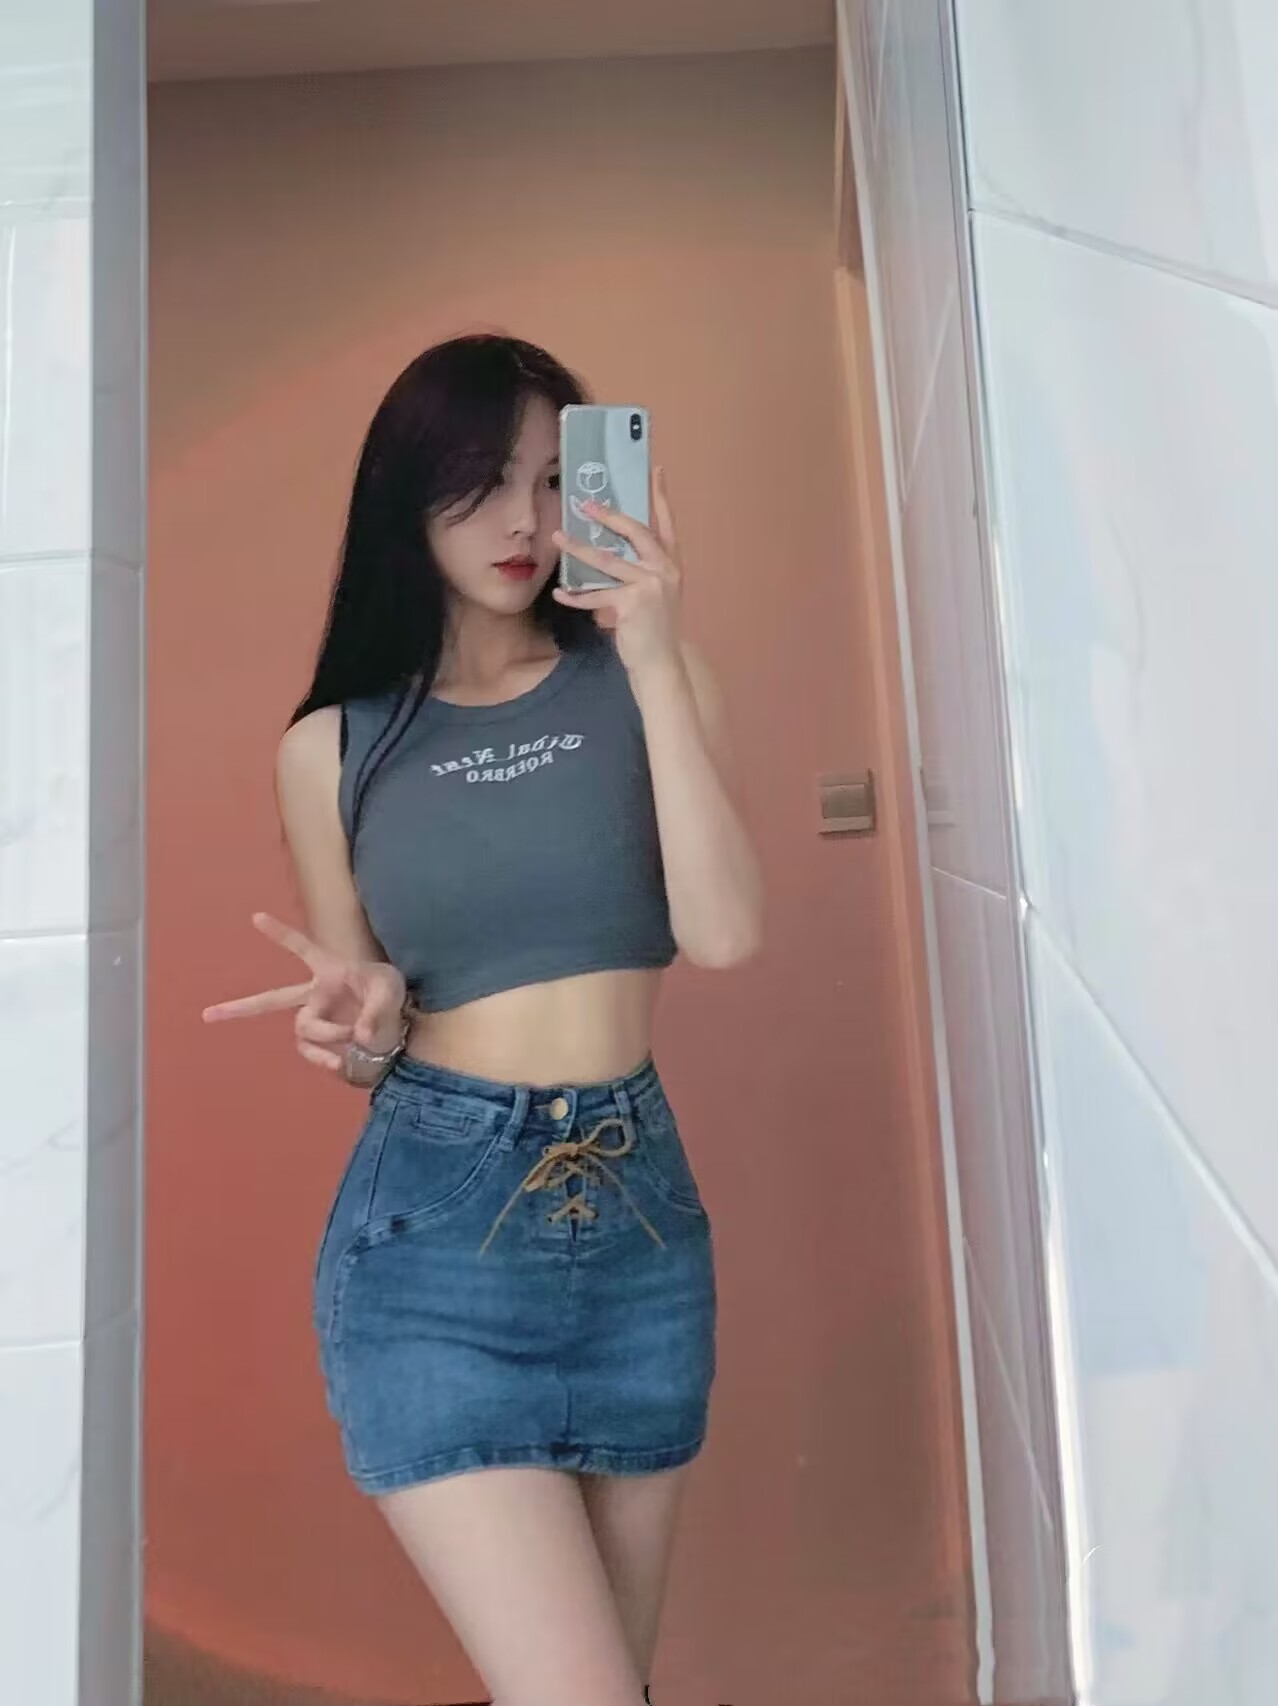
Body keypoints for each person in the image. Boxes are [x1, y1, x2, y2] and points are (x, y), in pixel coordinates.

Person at [203, 334, 762, 1706]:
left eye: (551, 478)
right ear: (406, 496)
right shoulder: (333, 746)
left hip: (637, 1227)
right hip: (435, 1238)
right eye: (479, 480)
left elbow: (725, 932)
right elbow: (364, 1025)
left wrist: (653, 652)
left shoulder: (655, 684)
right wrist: (363, 1021)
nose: (522, 519)